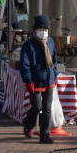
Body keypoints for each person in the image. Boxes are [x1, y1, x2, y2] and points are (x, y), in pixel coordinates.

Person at [19, 15, 58, 143]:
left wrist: (55, 75)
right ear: (35, 30)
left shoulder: (50, 42)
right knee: (36, 107)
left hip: (49, 79)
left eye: (45, 29)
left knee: (47, 108)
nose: (43, 31)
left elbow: (54, 60)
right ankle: (28, 124)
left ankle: (45, 135)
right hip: (35, 81)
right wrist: (28, 80)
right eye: (41, 28)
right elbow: (24, 65)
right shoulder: (28, 45)